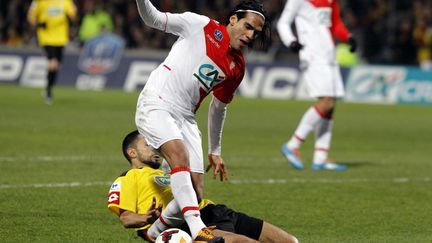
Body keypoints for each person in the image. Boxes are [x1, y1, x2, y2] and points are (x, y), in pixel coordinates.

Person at [134, 0, 270, 241]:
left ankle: (152, 232)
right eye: (247, 26)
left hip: (185, 117)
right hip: (157, 101)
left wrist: (215, 150)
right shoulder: (199, 25)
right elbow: (152, 18)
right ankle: (199, 231)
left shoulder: (237, 66)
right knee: (179, 154)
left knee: (195, 192)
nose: (250, 35)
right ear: (233, 19)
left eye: (255, 32)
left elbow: (218, 108)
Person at [107, 130, 299, 243]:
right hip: (186, 225)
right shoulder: (128, 178)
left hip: (214, 211)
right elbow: (125, 218)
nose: (155, 149)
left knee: (289, 241)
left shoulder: (168, 169)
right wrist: (145, 218)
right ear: (132, 152)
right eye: (148, 145)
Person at [276, 0, 357, 171]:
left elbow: (334, 22)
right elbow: (283, 22)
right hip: (312, 55)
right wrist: (290, 41)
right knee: (326, 102)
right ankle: (293, 144)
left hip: (329, 55)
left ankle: (321, 157)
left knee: (330, 105)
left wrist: (347, 36)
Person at [27, 0, 77, 105]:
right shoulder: (39, 1)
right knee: (53, 63)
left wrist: (71, 17)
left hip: (61, 37)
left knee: (57, 65)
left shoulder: (65, 1)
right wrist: (39, 24)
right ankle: (49, 92)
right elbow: (31, 16)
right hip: (46, 37)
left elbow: (73, 13)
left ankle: (48, 89)